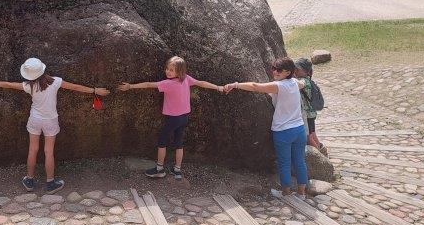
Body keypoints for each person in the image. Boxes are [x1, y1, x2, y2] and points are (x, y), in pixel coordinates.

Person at [0, 58, 110, 192]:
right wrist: (95, 90)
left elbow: (8, 84)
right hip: (50, 120)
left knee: (32, 150)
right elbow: (76, 87)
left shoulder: (29, 86)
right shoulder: (55, 81)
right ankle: (50, 183)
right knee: (49, 152)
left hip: (35, 119)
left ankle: (29, 180)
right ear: (42, 70)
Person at [117, 56, 225, 179]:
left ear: (179, 71)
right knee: (179, 142)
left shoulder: (168, 83)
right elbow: (201, 83)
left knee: (162, 140)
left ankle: (159, 169)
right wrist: (218, 87)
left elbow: (148, 84)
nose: (168, 71)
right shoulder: (186, 79)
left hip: (173, 118)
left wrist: (130, 86)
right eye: (167, 68)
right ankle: (177, 170)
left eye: (171, 70)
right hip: (184, 117)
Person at [224, 57, 308, 199]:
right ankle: (301, 193)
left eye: (279, 70)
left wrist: (236, 85)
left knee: (284, 163)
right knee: (299, 161)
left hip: (283, 131)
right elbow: (303, 83)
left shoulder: (278, 86)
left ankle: (286, 193)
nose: (275, 72)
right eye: (274, 68)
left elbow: (255, 86)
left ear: (288, 72)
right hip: (299, 129)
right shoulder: (295, 83)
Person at [294, 57, 325, 154]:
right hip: (311, 113)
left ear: (305, 71)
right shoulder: (307, 79)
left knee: (309, 137)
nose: (295, 70)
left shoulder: (304, 81)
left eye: (298, 69)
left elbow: (299, 84)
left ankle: (319, 156)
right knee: (312, 133)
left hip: (307, 115)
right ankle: (321, 148)